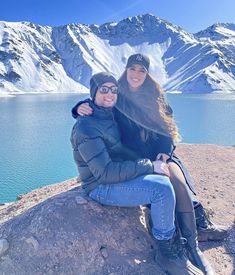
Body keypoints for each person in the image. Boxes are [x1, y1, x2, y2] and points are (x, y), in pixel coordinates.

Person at [72, 54, 228, 243]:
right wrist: (79, 107)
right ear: (126, 70)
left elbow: (167, 129)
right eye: (132, 69)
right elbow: (100, 100)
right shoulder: (117, 93)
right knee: (161, 186)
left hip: (158, 153)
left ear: (147, 74)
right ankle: (170, 227)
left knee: (177, 182)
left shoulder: (156, 96)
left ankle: (197, 227)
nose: (136, 74)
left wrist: (164, 152)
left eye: (141, 70)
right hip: (134, 157)